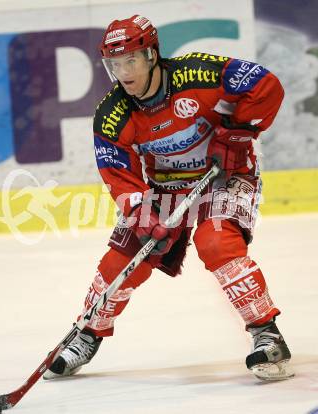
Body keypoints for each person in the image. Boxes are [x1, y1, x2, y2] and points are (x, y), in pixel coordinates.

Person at [44, 15, 293, 381]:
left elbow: (266, 85)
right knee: (123, 258)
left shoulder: (200, 74)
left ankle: (267, 335)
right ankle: (86, 335)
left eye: (131, 60)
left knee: (216, 241)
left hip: (228, 173)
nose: (123, 72)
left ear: (152, 55)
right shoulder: (111, 115)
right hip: (165, 187)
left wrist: (238, 132)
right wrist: (141, 215)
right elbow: (120, 176)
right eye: (114, 64)